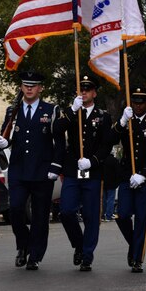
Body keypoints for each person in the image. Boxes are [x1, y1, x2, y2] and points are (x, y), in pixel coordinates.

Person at [0, 71, 63, 271]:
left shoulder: (51, 110)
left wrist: (55, 166)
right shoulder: (12, 111)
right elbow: (6, 137)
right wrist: (2, 143)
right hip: (18, 169)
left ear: (40, 88)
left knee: (40, 217)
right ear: (21, 87)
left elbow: (59, 142)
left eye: (33, 85)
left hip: (42, 171)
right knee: (15, 210)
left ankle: (34, 255)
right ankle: (23, 245)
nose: (29, 88)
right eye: (26, 85)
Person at [54, 74, 113, 271]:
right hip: (72, 170)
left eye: (87, 89)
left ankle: (87, 254)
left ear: (94, 93)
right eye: (81, 89)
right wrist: (72, 109)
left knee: (90, 215)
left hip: (93, 171)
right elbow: (56, 130)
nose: (84, 92)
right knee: (66, 211)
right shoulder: (71, 113)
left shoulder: (103, 116)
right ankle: (79, 244)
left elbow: (106, 145)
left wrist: (93, 161)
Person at [113, 86, 146, 273]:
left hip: (144, 179)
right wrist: (122, 121)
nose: (138, 106)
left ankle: (137, 259)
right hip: (126, 176)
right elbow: (111, 138)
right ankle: (134, 244)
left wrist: (144, 174)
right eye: (135, 102)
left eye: (141, 103)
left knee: (142, 219)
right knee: (123, 215)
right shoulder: (126, 121)